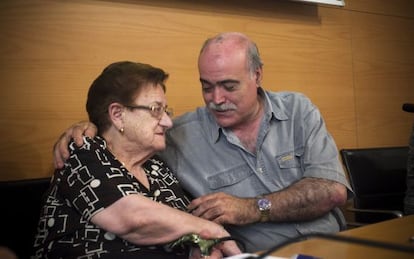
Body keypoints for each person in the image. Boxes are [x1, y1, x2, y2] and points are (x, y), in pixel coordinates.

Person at [53, 32, 353, 252]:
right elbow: (124, 143)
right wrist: (93, 125)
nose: (217, 99)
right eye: (206, 87)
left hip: (336, 246)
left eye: (229, 86)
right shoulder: (177, 137)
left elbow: (332, 191)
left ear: (257, 75)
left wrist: (251, 208)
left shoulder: (298, 111)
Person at [33, 61, 241, 258]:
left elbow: (182, 229)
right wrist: (211, 230)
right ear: (117, 114)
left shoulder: (157, 168)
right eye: (156, 110)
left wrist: (200, 248)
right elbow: (134, 219)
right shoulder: (82, 151)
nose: (168, 122)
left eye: (166, 111)